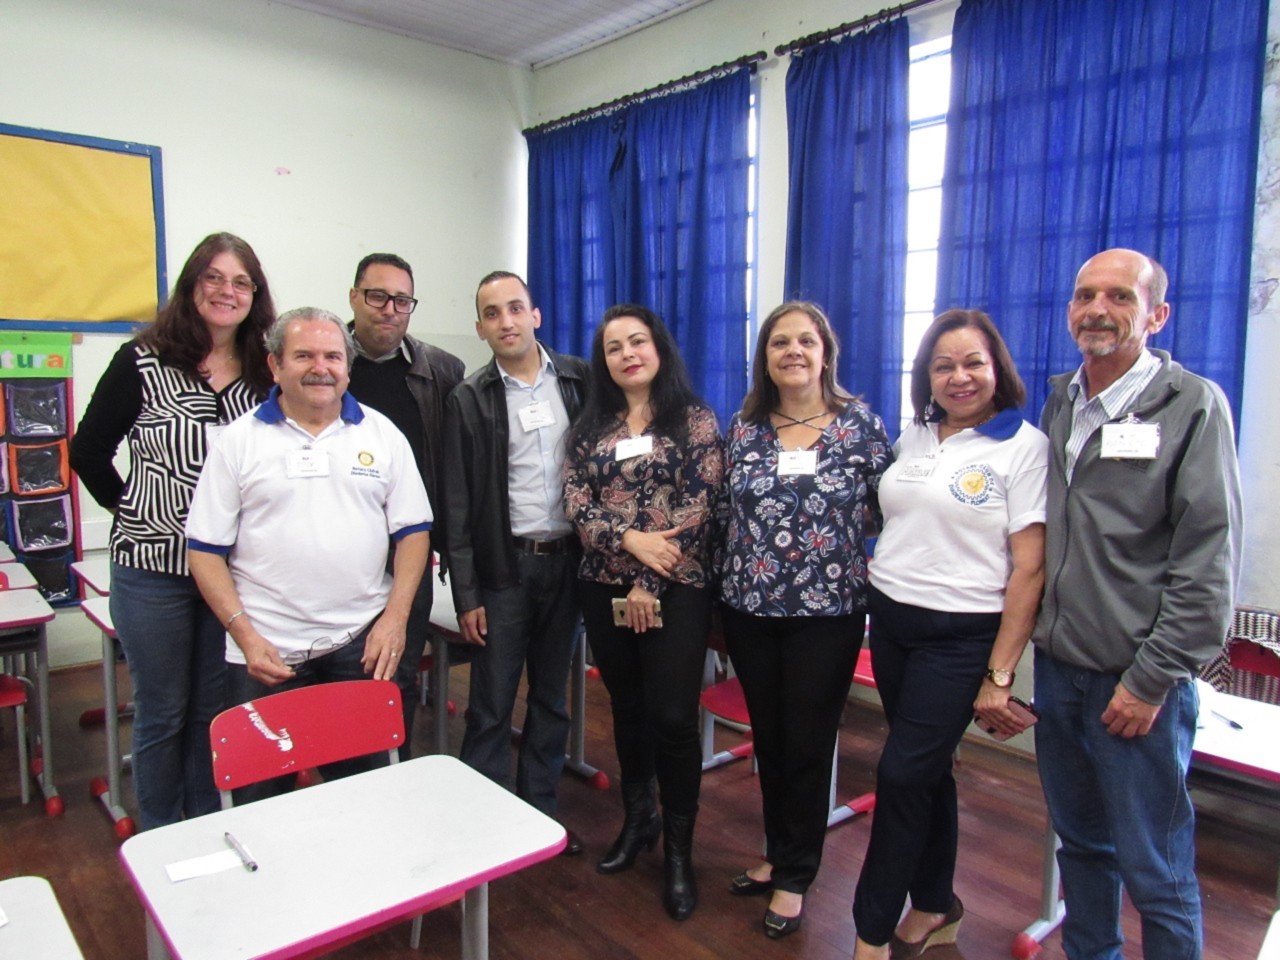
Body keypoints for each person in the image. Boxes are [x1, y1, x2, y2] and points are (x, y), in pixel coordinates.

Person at [1032, 249, 1242, 960]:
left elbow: (1208, 562)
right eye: (1086, 295)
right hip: (1060, 672)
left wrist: (1150, 681)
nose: (1098, 309)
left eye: (1120, 297)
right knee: (1082, 847)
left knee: (1156, 868)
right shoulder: (1062, 401)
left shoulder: (1192, 405)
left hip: (1137, 684)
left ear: (1157, 316)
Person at [851, 309, 1048, 960]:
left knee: (901, 773)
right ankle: (937, 904)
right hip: (891, 622)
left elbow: (1030, 570)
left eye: (973, 363)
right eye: (943, 366)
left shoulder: (1025, 447)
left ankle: (870, 934)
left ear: (998, 369)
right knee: (927, 773)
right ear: (926, 377)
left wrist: (999, 675)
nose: (959, 377)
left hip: (959, 638)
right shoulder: (914, 436)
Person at [69, 232, 275, 830]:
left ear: (255, 295)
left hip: (232, 576)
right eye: (214, 277)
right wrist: (134, 510)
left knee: (214, 708)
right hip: (152, 572)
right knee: (162, 710)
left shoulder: (265, 372)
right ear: (191, 285)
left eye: (241, 282)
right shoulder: (142, 361)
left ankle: (206, 825)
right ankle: (161, 834)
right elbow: (87, 452)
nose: (227, 291)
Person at [185, 307, 431, 802]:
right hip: (266, 652)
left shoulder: (382, 435)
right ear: (275, 365)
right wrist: (245, 636)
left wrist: (394, 619)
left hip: (361, 644)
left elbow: (414, 532)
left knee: (369, 797)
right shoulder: (238, 441)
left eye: (333, 357)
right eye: (304, 356)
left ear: (347, 368)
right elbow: (204, 551)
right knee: (260, 803)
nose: (321, 368)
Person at [718, 302, 891, 939]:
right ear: (764, 358)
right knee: (770, 738)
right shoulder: (743, 429)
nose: (793, 351)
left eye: (806, 341)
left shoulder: (861, 428)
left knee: (808, 742)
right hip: (749, 609)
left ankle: (796, 874)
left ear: (825, 354)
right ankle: (777, 850)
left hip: (827, 612)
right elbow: (724, 515)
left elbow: (890, 512)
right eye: (779, 342)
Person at [562, 304, 724, 921]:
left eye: (637, 341)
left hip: (676, 588)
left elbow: (699, 507)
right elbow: (576, 502)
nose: (627, 354)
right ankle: (639, 821)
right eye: (614, 347)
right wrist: (629, 542)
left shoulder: (695, 419)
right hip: (601, 586)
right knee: (627, 709)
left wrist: (649, 582)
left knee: (673, 717)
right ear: (603, 361)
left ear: (659, 348)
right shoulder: (589, 426)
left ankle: (680, 852)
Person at [442, 271, 589, 854]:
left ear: (535, 315)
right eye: (491, 313)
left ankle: (540, 814)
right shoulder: (468, 397)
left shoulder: (578, 380)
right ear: (480, 328)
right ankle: (484, 829)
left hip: (568, 564)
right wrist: (466, 594)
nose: (506, 321)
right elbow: (456, 503)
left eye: (515, 308)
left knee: (551, 699)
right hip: (505, 570)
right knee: (491, 703)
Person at [345, 252, 465, 755]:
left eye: (402, 300)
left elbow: (455, 466)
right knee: (338, 679)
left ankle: (392, 776)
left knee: (396, 674)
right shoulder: (327, 361)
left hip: (408, 552)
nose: (390, 309)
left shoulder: (441, 370)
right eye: (378, 296)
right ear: (354, 298)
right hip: (337, 553)